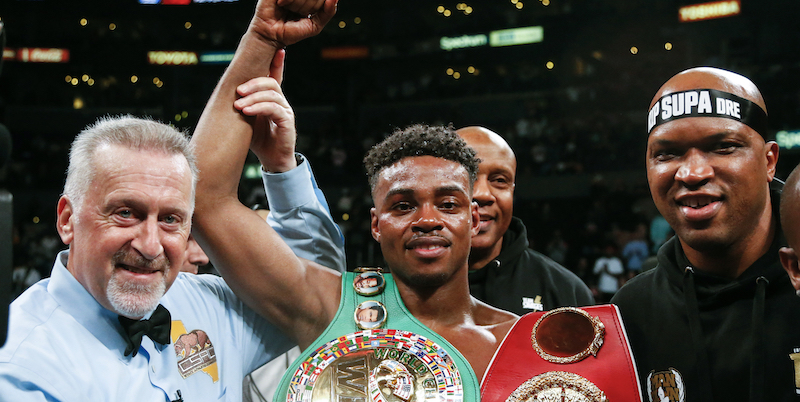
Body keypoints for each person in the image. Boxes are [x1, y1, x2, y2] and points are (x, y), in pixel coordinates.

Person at [0, 2, 341, 400]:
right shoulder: (21, 367)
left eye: (171, 220)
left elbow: (315, 297)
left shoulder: (205, 303)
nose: (150, 245)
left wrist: (282, 168)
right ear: (66, 220)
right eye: (125, 213)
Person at [611, 66, 800, 402]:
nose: (692, 173)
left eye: (723, 146)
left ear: (769, 162)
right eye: (667, 153)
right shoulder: (629, 314)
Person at [456, 126, 594, 314]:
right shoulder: (405, 289)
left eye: (499, 180)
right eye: (468, 177)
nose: (483, 194)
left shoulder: (566, 291)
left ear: (513, 190)